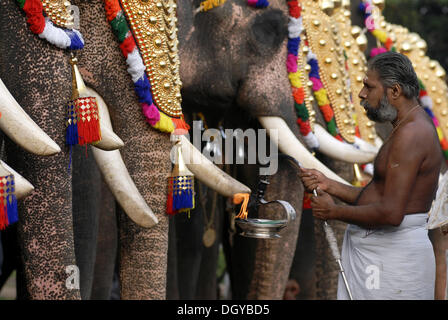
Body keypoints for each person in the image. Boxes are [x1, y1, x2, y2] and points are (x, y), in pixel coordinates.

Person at [299, 51, 443, 300]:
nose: (362, 95)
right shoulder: (407, 128)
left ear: (395, 92)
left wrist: (334, 212)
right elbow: (381, 197)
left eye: (369, 86)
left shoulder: (410, 135)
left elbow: (390, 213)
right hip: (387, 260)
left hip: (392, 262)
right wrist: (330, 185)